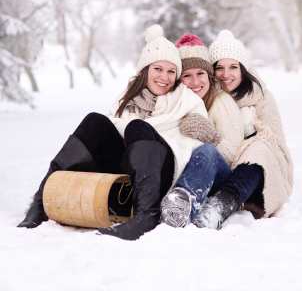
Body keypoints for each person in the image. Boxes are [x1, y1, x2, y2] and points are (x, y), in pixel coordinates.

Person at [17, 25, 207, 241]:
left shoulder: (188, 101)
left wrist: (142, 132)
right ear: (145, 69)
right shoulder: (127, 98)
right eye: (158, 69)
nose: (164, 77)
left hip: (163, 176)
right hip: (126, 175)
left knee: (137, 127)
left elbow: (194, 151)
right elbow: (113, 132)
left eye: (171, 71)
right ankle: (40, 203)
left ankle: (147, 215)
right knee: (95, 120)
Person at [192, 29, 294, 229]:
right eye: (219, 67)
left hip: (257, 175)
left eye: (233, 67)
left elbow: (277, 144)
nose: (226, 74)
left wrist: (252, 132)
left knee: (260, 148)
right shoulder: (208, 95)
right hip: (222, 167)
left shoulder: (260, 96)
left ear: (243, 69)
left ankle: (219, 207)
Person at [160, 34, 246, 227]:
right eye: (187, 75)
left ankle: (181, 207)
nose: (195, 81)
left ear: (209, 75)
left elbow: (236, 157)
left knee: (205, 151)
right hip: (182, 171)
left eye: (201, 73)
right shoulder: (174, 103)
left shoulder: (221, 102)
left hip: (218, 178)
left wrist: (212, 137)